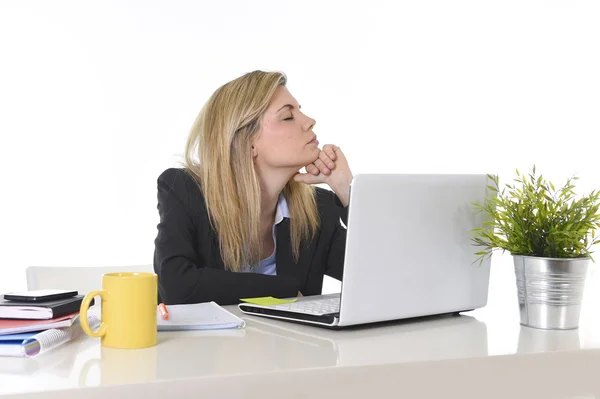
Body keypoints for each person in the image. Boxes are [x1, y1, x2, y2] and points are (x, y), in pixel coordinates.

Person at [153, 70, 353, 306]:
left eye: (300, 110)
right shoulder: (185, 190)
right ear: (247, 142)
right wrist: (285, 290)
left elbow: (381, 277)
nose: (309, 121)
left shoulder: (318, 208)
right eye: (288, 116)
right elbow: (177, 286)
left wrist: (346, 189)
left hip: (289, 344)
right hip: (207, 344)